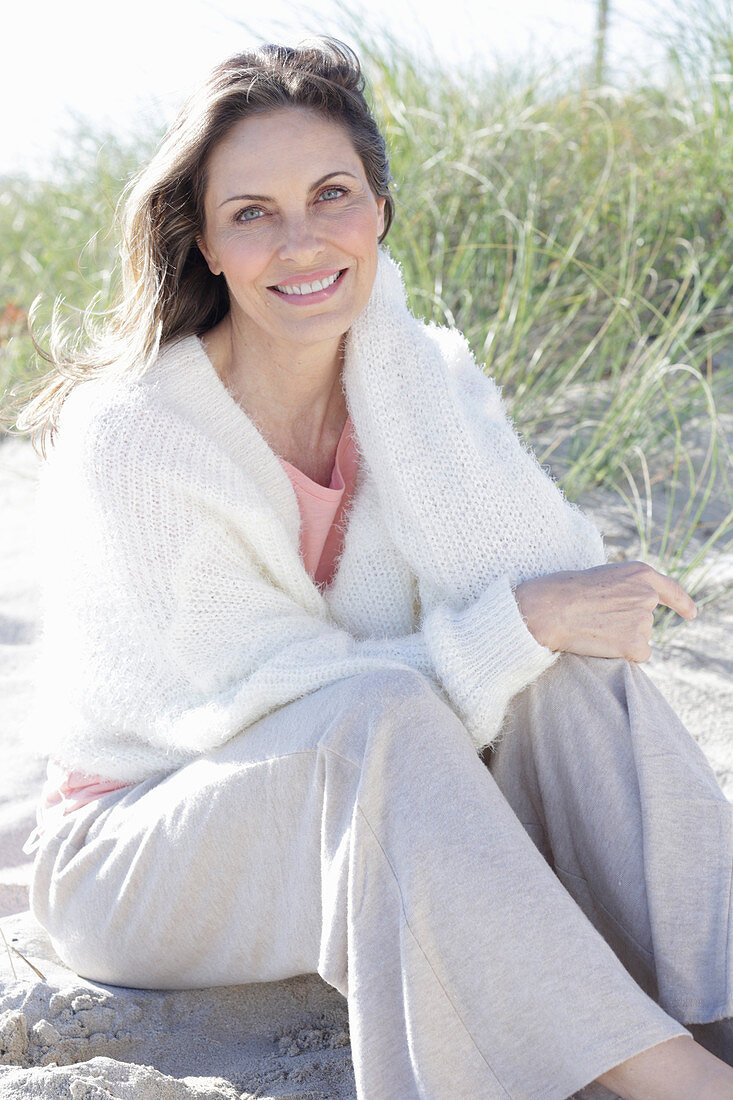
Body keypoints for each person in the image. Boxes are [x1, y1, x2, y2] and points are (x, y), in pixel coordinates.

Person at [13, 35, 733, 1100]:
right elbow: (278, 702)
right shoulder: (136, 434)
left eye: (331, 194)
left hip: (367, 793)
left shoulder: (419, 372)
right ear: (206, 242)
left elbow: (556, 595)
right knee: (394, 705)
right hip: (140, 843)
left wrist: (400, 370)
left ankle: (717, 1009)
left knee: (569, 676)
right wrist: (517, 621)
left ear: (380, 209)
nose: (301, 242)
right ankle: (677, 1079)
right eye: (252, 212)